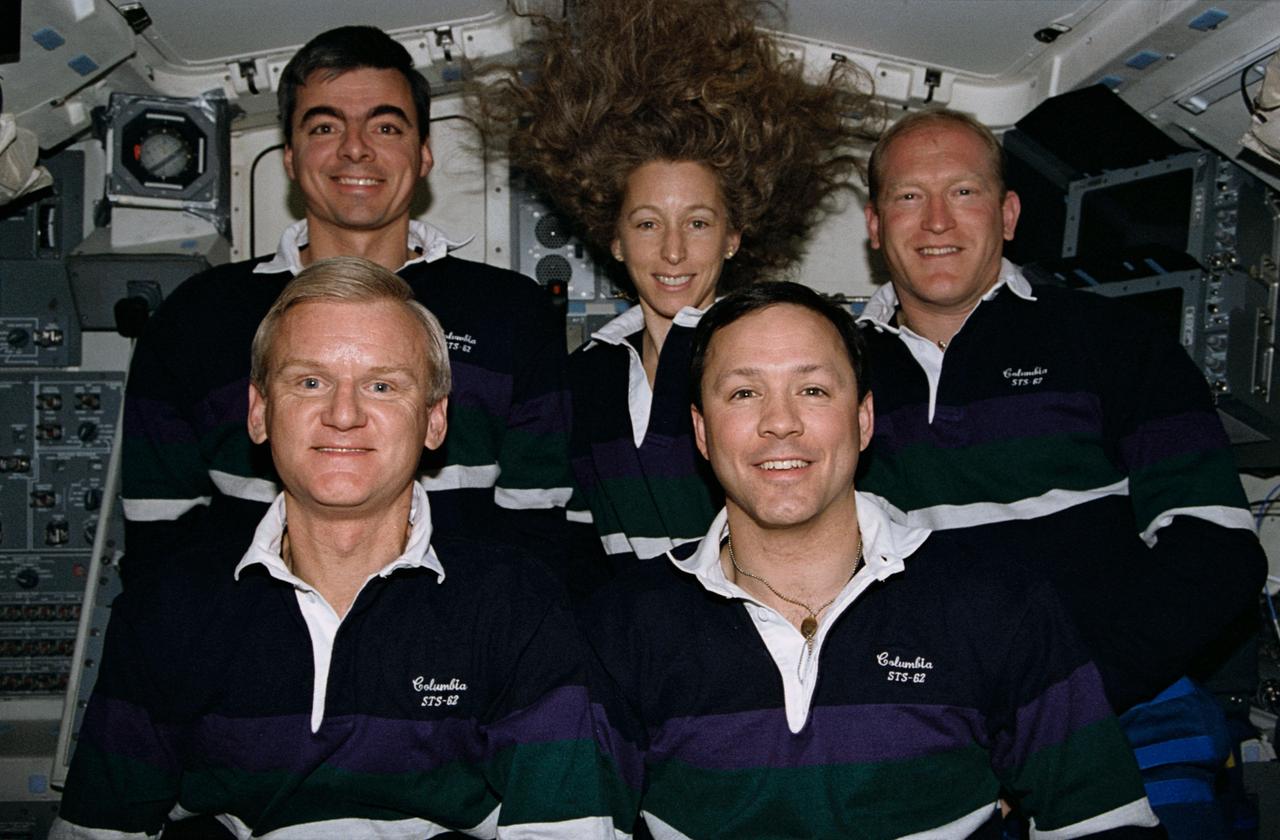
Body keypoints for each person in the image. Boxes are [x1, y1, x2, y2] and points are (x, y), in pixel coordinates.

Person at [51, 258, 612, 839]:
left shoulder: (518, 608)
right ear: (259, 413)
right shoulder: (167, 609)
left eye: (381, 386)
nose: (343, 415)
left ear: (434, 422)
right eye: (310, 382)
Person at [583, 281, 1162, 838]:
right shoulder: (621, 628)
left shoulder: (998, 605)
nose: (780, 422)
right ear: (702, 432)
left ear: (863, 421)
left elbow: (1102, 825)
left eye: (812, 390)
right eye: (743, 393)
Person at [856, 108, 1267, 835]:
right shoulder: (828, 371)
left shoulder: (1113, 340)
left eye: (964, 192)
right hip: (928, 734)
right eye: (909, 196)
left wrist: (1060, 701)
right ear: (874, 225)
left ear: (1009, 214)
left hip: (1123, 710)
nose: (937, 220)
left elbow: (1216, 547)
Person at [121, 25, 572, 583]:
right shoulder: (196, 319)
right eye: (325, 126)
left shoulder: (511, 314)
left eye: (386, 126)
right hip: (252, 629)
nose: (355, 147)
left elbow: (540, 534)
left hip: (461, 631)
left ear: (423, 154)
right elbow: (159, 541)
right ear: (290, 156)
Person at [480, 0, 876, 589]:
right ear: (614, 240)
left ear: (733, 237)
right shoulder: (584, 375)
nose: (672, 252)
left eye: (697, 223)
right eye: (647, 224)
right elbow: (567, 538)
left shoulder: (770, 362)